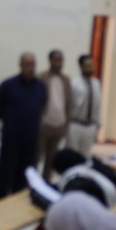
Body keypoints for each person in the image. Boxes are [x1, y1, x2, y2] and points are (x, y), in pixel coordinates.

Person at [0, 52, 48, 199]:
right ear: (21, 65)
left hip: (31, 141)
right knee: (5, 177)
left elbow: (42, 106)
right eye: (27, 65)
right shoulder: (8, 85)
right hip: (11, 140)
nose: (31, 68)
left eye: (33, 65)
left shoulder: (41, 86)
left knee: (25, 178)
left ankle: (18, 206)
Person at [39, 49, 72, 179]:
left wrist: (66, 123)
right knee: (37, 158)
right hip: (44, 125)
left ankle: (46, 183)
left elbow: (69, 103)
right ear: (50, 60)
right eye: (57, 60)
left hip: (59, 126)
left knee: (51, 160)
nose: (60, 63)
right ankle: (31, 185)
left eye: (61, 60)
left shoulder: (66, 80)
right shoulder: (41, 78)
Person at [66, 54, 102, 157]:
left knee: (85, 156)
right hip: (75, 124)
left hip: (90, 126)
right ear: (81, 67)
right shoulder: (74, 83)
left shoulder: (96, 83)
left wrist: (99, 123)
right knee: (72, 154)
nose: (91, 67)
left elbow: (99, 105)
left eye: (92, 64)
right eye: (87, 65)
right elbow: (69, 104)